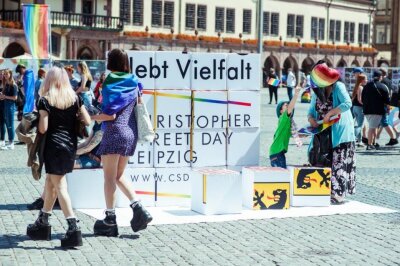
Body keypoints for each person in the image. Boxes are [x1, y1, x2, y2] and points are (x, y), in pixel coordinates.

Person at [26, 67, 91, 248]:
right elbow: (87, 120)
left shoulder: (45, 100)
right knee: (51, 182)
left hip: (53, 146)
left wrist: (37, 118)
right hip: (69, 145)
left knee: (60, 186)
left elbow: (43, 128)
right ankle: (43, 222)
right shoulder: (75, 98)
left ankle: (73, 227)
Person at [91, 48, 152, 237]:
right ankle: (138, 207)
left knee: (109, 178)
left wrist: (91, 117)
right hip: (129, 134)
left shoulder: (110, 83)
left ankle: (110, 219)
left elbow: (110, 114)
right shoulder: (135, 83)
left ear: (111, 62)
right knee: (118, 176)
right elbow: (139, 107)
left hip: (114, 132)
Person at [308, 62, 356, 204]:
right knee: (324, 159)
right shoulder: (316, 91)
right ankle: (325, 190)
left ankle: (337, 194)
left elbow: (347, 103)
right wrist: (311, 119)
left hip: (340, 132)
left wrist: (331, 113)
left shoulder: (338, 87)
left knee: (338, 161)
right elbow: (311, 110)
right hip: (323, 133)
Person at [269, 87, 302, 168]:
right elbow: (291, 108)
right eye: (286, 105)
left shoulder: (287, 124)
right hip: (277, 153)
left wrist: (309, 133)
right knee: (281, 177)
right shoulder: (283, 118)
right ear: (281, 111)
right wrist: (296, 93)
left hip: (277, 153)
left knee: (281, 177)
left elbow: (294, 134)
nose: (288, 107)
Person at [362, 70, 391, 150]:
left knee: (373, 126)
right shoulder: (382, 86)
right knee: (372, 127)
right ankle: (369, 144)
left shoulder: (367, 86)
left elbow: (362, 98)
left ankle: (373, 142)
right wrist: (388, 108)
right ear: (380, 77)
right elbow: (387, 100)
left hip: (367, 110)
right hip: (377, 111)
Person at [376, 68, 398, 146]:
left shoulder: (383, 82)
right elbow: (391, 92)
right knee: (387, 121)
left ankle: (393, 138)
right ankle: (393, 136)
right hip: (389, 103)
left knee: (386, 121)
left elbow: (386, 93)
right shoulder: (389, 80)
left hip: (385, 104)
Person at [0, 69, 18, 150]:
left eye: (7, 74)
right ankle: (9, 142)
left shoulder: (13, 85)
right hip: (6, 105)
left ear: (10, 74)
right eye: (5, 74)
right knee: (7, 124)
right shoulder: (6, 84)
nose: (5, 76)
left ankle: (11, 143)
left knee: (10, 125)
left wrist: (5, 96)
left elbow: (15, 98)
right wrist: (2, 95)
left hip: (10, 106)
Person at [351, 74, 367, 147]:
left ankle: (360, 141)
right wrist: (366, 105)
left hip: (354, 107)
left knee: (358, 125)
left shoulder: (356, 86)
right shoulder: (360, 87)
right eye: (365, 79)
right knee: (360, 125)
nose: (367, 80)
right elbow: (359, 100)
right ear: (362, 80)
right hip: (359, 108)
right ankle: (353, 138)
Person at [0, 70, 6, 147]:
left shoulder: (6, 84)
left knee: (2, 123)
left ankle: (3, 139)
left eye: (2, 74)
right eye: (0, 74)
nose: (1, 76)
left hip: (4, 105)